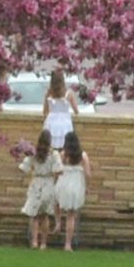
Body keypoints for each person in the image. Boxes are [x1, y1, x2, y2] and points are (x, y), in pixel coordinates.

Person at [20, 82, 88, 251]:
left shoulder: (37, 154)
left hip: (37, 183)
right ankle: (49, 243)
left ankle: (37, 240)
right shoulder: (58, 155)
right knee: (49, 216)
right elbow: (60, 169)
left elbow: (24, 167)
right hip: (54, 184)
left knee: (36, 215)